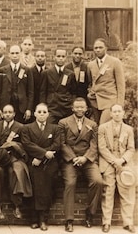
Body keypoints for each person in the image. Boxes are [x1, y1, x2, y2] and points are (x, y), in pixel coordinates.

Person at [58, 97, 102, 232]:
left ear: (86, 109)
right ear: (72, 108)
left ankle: (90, 214)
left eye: (82, 107)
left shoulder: (92, 124)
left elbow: (94, 144)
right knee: (70, 183)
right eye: (77, 107)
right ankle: (69, 220)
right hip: (70, 160)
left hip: (87, 159)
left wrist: (85, 158)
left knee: (98, 181)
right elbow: (62, 143)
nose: (79, 109)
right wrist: (73, 158)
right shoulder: (63, 122)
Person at [21, 103, 61, 231]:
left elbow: (57, 144)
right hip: (33, 161)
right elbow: (27, 144)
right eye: (39, 112)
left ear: (48, 114)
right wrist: (42, 154)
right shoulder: (27, 128)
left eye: (44, 112)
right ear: (34, 114)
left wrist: (42, 157)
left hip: (49, 163)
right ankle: (33, 218)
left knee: (46, 188)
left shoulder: (55, 128)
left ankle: (43, 219)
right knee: (34, 186)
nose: (42, 114)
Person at [98, 104, 135, 233]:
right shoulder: (102, 128)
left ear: (123, 113)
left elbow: (131, 148)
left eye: (119, 111)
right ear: (111, 113)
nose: (117, 114)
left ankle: (128, 222)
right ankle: (106, 222)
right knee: (108, 190)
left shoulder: (129, 129)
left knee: (127, 190)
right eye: (115, 111)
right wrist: (114, 161)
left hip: (123, 162)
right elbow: (102, 148)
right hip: (108, 162)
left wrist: (122, 160)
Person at [0, 104, 32, 220]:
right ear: (2, 114)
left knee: (14, 173)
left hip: (13, 157)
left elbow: (24, 144)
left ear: (14, 114)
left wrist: (14, 145)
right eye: (5, 112)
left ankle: (16, 205)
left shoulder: (20, 127)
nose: (7, 114)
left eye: (10, 112)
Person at [87, 38, 125, 124]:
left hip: (110, 100)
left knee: (103, 125)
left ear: (106, 48)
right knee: (96, 126)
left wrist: (119, 104)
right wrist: (90, 93)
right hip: (95, 101)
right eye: (96, 48)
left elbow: (121, 85)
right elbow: (90, 82)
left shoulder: (115, 62)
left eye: (100, 47)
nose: (98, 50)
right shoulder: (91, 65)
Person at [0, 45, 34, 123]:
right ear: (9, 55)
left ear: (20, 54)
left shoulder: (27, 70)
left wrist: (29, 109)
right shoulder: (3, 70)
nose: (15, 55)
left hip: (21, 106)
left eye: (17, 53)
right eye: (12, 53)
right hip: (6, 105)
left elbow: (31, 92)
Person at [40, 49, 78, 125]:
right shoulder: (46, 73)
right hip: (52, 107)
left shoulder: (70, 74)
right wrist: (43, 106)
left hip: (66, 107)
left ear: (66, 58)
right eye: (58, 56)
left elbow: (73, 92)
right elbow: (43, 92)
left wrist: (71, 104)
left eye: (63, 56)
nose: (61, 58)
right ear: (54, 57)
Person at [30, 50, 47, 118]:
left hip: (45, 101)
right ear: (35, 57)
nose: (40, 58)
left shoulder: (49, 71)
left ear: (45, 58)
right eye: (38, 56)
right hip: (33, 101)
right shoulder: (30, 71)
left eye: (42, 56)